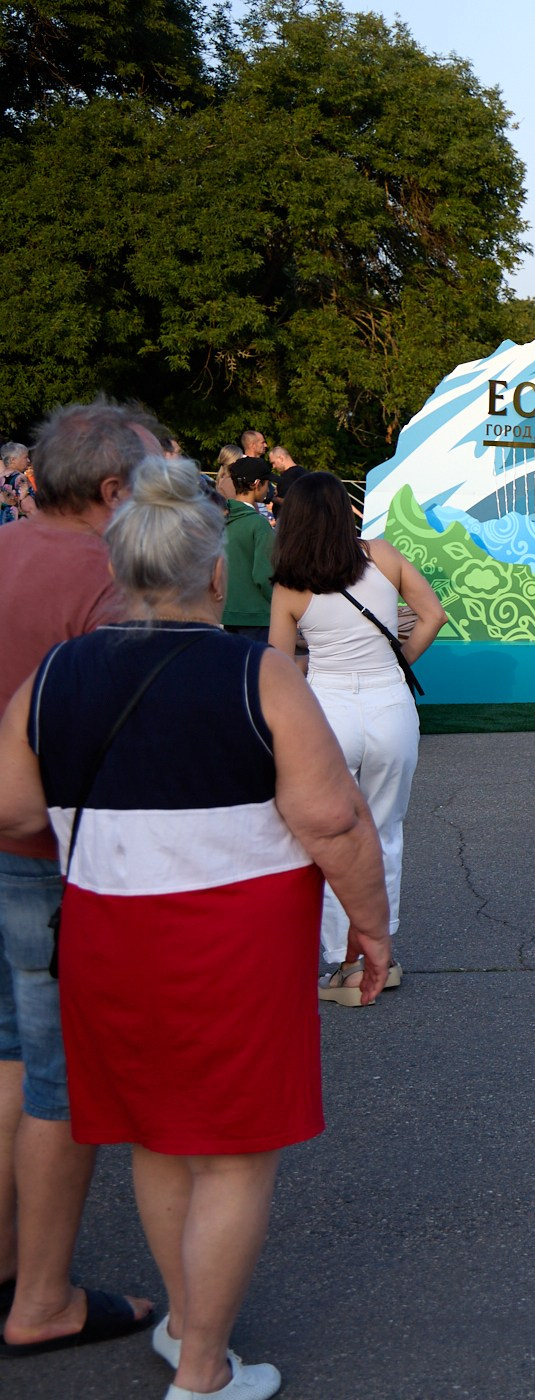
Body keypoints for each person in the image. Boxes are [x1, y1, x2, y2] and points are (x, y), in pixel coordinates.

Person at [0, 452, 391, 1395]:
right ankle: (204, 1369)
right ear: (215, 572)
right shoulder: (254, 676)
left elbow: (12, 810)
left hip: (103, 933)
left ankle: (185, 1323)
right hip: (234, 940)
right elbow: (333, 819)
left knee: (155, 1135)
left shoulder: (57, 676)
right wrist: (371, 927)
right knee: (231, 1154)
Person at [0, 403, 159, 1359]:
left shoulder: (5, 550)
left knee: (9, 1058)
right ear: (112, 492)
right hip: (55, 865)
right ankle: (44, 1299)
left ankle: (10, 1263)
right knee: (63, 1084)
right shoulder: (107, 584)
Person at [266, 471, 445, 1006]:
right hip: (392, 708)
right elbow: (432, 615)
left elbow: (278, 667)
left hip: (328, 711)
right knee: (385, 830)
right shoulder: (383, 556)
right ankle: (380, 955)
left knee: (330, 837)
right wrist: (398, 663)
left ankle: (341, 964)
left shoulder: (291, 583)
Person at [214, 456, 275, 640]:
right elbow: (264, 575)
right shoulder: (259, 524)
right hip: (258, 616)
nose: (269, 489)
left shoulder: (219, 519)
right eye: (267, 483)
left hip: (226, 612)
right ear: (257, 484)